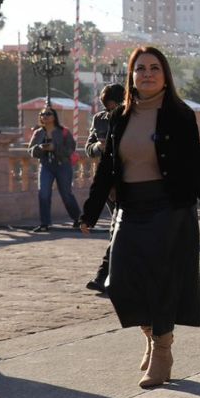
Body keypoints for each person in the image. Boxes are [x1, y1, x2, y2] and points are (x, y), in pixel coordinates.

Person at [79, 46, 200, 389]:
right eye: (140, 68)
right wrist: (90, 211)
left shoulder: (180, 115)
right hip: (131, 208)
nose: (147, 74)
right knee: (121, 281)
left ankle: (162, 348)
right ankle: (150, 334)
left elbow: (195, 165)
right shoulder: (119, 117)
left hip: (169, 207)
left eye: (154, 68)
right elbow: (107, 169)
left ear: (165, 75)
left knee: (161, 282)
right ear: (131, 75)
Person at [84, 83, 126, 292]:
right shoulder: (99, 119)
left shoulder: (134, 117)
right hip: (106, 181)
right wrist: (97, 147)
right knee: (118, 229)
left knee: (117, 229)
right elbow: (88, 148)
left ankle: (104, 277)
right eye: (107, 108)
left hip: (128, 180)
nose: (110, 112)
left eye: (113, 107)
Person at [27, 107, 82, 233]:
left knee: (66, 194)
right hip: (46, 166)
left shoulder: (63, 131)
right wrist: (40, 148)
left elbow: (70, 149)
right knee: (44, 194)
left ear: (54, 116)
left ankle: (78, 219)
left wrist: (54, 148)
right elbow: (31, 150)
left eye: (48, 114)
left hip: (63, 165)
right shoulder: (38, 133)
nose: (45, 116)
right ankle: (45, 223)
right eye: (42, 114)